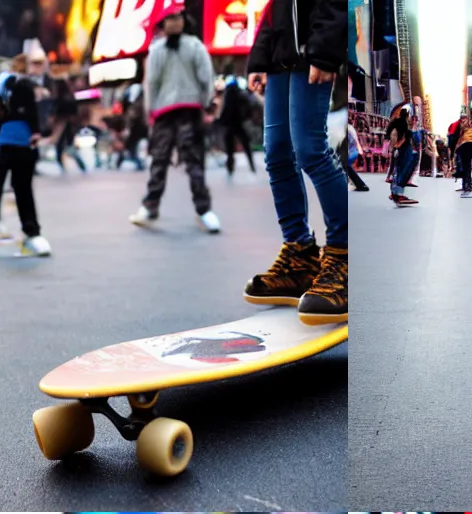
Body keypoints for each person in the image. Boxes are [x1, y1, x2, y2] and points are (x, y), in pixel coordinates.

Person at [242, 0, 347, 320]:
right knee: (276, 154)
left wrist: (327, 48)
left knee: (311, 150)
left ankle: (344, 254)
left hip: (312, 51)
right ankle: (300, 256)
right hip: (281, 57)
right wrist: (259, 57)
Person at [131, 5, 220, 233]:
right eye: (169, 19)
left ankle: (204, 209)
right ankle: (151, 205)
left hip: (188, 110)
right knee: (159, 160)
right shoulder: (158, 51)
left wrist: (205, 101)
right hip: (164, 112)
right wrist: (151, 111)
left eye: (177, 18)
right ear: (163, 25)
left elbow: (205, 77)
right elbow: (151, 83)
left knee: (193, 160)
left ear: (183, 21)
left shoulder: (194, 46)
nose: (173, 23)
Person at [0, 58, 51, 254]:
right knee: (19, 185)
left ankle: (1, 223)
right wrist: (36, 131)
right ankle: (27, 230)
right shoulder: (21, 87)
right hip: (16, 141)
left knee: (7, 182)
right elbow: (31, 112)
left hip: (12, 141)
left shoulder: (10, 88)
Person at [217, 77, 256, 174]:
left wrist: (221, 121)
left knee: (230, 149)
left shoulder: (227, 96)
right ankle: (251, 165)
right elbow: (249, 106)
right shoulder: (240, 94)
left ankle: (230, 167)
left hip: (230, 125)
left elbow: (224, 111)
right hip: (239, 123)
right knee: (246, 146)